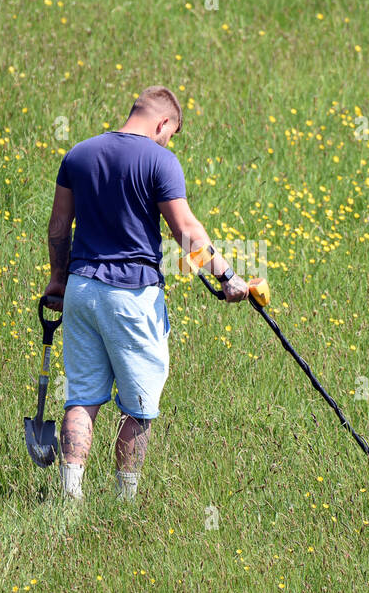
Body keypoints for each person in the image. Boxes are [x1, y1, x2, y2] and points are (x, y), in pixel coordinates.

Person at [42, 86, 249, 501]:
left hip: (82, 289)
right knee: (138, 404)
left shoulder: (79, 154)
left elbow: (59, 228)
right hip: (133, 297)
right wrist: (227, 274)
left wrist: (59, 280)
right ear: (163, 123)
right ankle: (124, 501)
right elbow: (185, 231)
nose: (168, 141)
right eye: (170, 134)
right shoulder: (160, 160)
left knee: (81, 396)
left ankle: (69, 501)